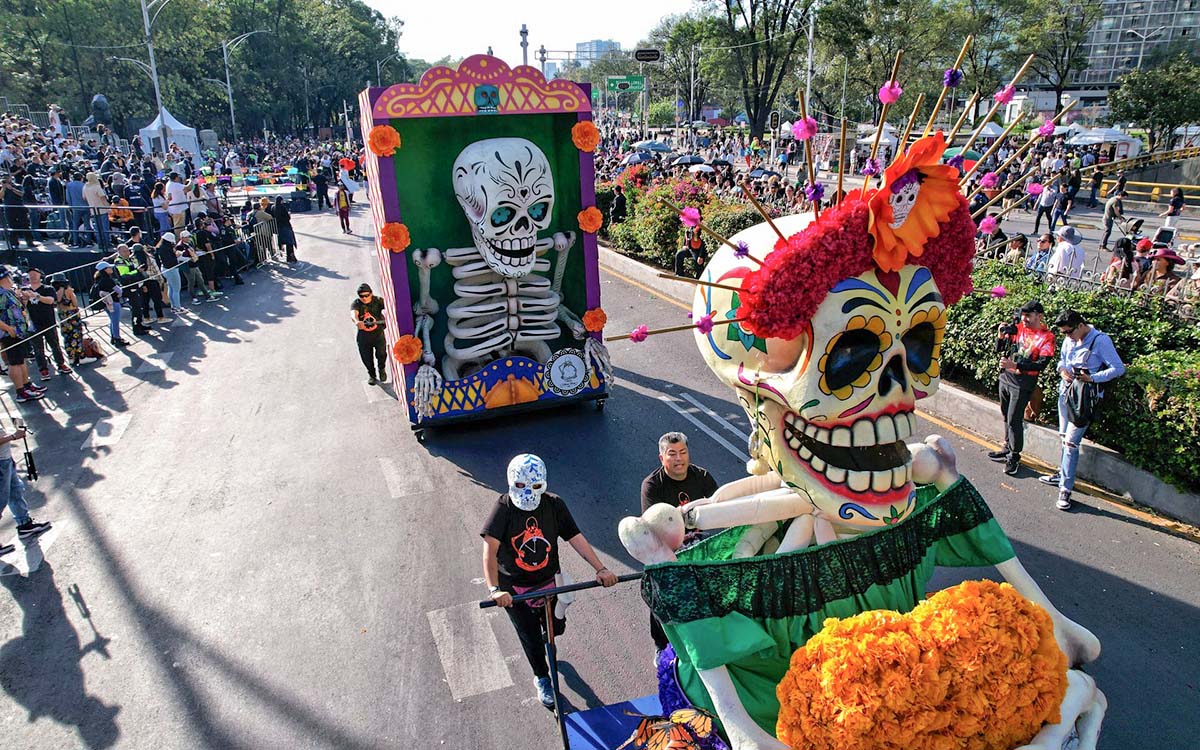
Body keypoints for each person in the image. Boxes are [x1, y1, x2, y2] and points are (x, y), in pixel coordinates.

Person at [481, 454, 617, 708]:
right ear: (511, 483)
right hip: (515, 591)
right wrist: (494, 589)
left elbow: (575, 537)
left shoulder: (554, 505)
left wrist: (601, 568)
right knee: (530, 637)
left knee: (556, 629)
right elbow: (489, 550)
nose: (528, 493)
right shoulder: (503, 508)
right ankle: (542, 677)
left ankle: (553, 629)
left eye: (534, 487)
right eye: (521, 486)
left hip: (549, 583)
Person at [640, 431, 718, 651]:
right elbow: (651, 525)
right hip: (667, 549)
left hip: (700, 545)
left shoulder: (702, 477)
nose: (679, 459)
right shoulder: (652, 485)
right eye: (672, 454)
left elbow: (719, 507)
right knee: (660, 595)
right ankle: (661, 646)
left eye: (683, 452)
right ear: (661, 458)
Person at [1039, 311, 1124, 510]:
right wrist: (1062, 371)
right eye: (1063, 333)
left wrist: (1093, 378)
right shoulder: (1069, 340)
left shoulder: (1100, 341)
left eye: (1069, 332)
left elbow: (1118, 369)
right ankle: (1061, 475)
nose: (1066, 336)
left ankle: (1065, 489)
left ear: (1079, 326)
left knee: (1070, 443)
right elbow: (1062, 360)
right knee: (1063, 437)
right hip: (1066, 393)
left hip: (1084, 398)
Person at [988, 300, 1055, 476]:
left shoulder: (1047, 337)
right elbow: (1000, 350)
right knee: (1005, 415)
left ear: (1039, 316)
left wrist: (1015, 364)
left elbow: (1040, 365)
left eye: (1028, 316)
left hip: (1023, 383)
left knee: (1014, 419)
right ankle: (1006, 446)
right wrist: (1000, 337)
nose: (1024, 319)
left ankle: (1014, 455)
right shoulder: (1017, 328)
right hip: (1006, 378)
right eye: (1023, 315)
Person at [0, 419, 52, 554]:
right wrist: (13, 436)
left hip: (5, 459)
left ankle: (25, 524)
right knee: (1, 500)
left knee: (15, 491)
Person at [0, 267, 44, 402]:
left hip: (19, 332)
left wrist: (23, 300)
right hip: (10, 334)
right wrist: (8, 329)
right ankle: (20, 391)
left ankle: (27, 385)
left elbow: (18, 309)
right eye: (9, 276)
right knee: (15, 363)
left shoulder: (9, 292)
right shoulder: (1, 294)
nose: (11, 279)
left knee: (22, 359)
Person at [25, 268, 71, 379]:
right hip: (33, 324)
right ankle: (43, 370)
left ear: (40, 276)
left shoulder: (48, 288)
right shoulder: (24, 290)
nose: (33, 276)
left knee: (55, 344)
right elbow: (23, 305)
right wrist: (24, 297)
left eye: (35, 274)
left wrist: (36, 296)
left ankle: (61, 364)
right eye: (30, 275)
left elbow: (51, 301)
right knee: (38, 348)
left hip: (48, 321)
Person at [351, 283, 387, 385]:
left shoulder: (378, 301)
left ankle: (382, 369)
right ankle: (372, 375)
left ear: (371, 294)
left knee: (382, 354)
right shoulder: (357, 303)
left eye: (367, 295)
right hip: (364, 337)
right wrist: (357, 321)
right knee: (366, 358)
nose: (365, 298)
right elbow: (353, 313)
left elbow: (390, 307)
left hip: (378, 335)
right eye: (362, 296)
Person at [92, 261, 129, 347]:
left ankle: (113, 337)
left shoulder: (98, 280)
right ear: (105, 270)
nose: (111, 268)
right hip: (113, 303)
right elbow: (118, 290)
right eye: (109, 268)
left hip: (106, 304)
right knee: (115, 321)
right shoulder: (108, 280)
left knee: (112, 321)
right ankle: (117, 338)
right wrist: (120, 292)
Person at [51, 274, 85, 367]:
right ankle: (80, 357)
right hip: (72, 313)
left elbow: (55, 302)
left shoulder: (54, 292)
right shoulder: (68, 290)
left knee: (67, 336)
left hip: (62, 315)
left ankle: (71, 357)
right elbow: (75, 303)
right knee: (76, 335)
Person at [272, 197, 298, 263]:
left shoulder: (273, 207)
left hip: (278, 227)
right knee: (289, 242)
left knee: (283, 241)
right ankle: (290, 257)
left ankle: (285, 255)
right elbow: (287, 217)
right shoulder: (282, 207)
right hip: (285, 226)